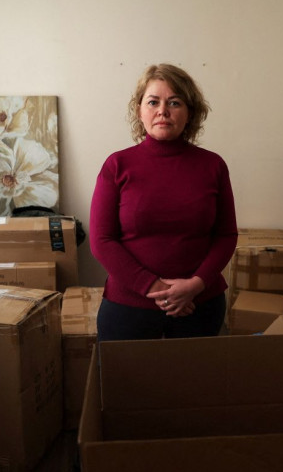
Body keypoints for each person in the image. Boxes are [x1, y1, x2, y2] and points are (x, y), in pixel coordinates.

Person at [89, 63, 238, 341]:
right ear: (139, 110)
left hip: (200, 305)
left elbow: (226, 234)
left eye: (174, 102)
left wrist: (194, 285)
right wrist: (155, 288)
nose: (163, 111)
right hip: (129, 307)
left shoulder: (213, 165)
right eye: (153, 102)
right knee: (124, 384)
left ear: (190, 112)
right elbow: (102, 240)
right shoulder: (117, 165)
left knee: (193, 384)